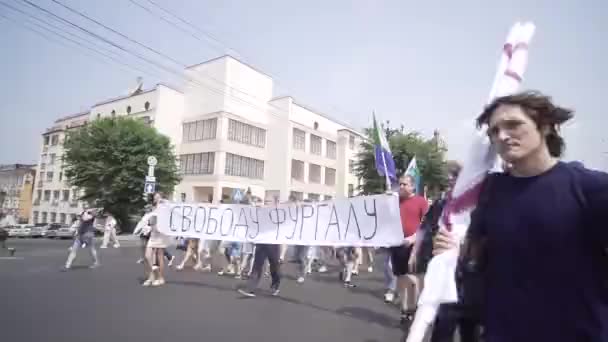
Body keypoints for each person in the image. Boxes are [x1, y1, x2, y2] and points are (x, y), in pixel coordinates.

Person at [436, 91, 608, 341]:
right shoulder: (489, 192)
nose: (502, 136)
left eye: (513, 125)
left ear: (545, 126)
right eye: (494, 131)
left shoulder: (590, 188)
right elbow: (475, 253)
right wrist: (451, 249)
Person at [391, 174, 429, 324]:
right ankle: (404, 309)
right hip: (397, 244)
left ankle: (413, 308)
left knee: (413, 279)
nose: (401, 187)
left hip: (414, 246)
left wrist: (413, 238)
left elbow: (426, 225)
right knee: (400, 278)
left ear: (412, 186)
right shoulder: (394, 201)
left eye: (405, 184)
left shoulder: (421, 202)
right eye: (400, 184)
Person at [237, 199, 281, 297]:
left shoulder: (278, 214)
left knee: (274, 266)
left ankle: (275, 285)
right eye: (266, 202)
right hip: (261, 243)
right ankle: (251, 289)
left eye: (269, 202)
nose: (266, 203)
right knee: (257, 266)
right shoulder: (260, 214)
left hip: (273, 244)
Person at [142, 192, 171, 287]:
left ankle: (160, 277)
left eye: (158, 197)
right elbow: (150, 221)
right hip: (153, 234)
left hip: (161, 235)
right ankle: (152, 276)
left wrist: (164, 203)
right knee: (147, 256)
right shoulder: (153, 209)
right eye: (155, 197)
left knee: (159, 256)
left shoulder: (165, 208)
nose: (156, 199)